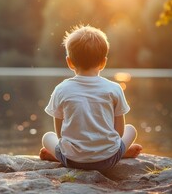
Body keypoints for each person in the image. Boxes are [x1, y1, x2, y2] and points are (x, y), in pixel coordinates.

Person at [39, 25, 143, 171]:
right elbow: (119, 132)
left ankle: (57, 156)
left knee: (47, 137)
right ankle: (122, 152)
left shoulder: (61, 89)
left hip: (72, 160)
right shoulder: (114, 88)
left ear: (69, 62)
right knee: (130, 129)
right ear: (103, 62)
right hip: (108, 159)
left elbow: (59, 133)